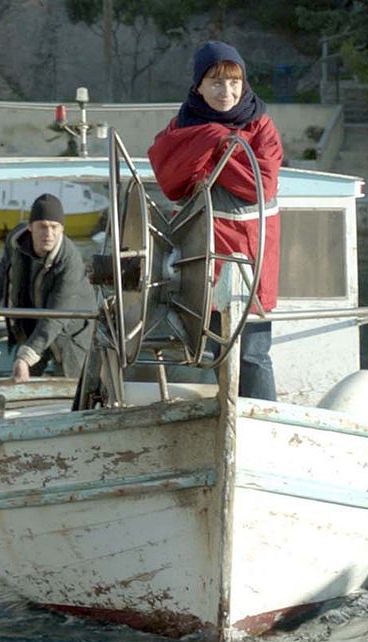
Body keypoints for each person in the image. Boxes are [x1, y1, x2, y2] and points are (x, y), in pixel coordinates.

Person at [147, 40, 284, 401]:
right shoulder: (180, 124)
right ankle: (217, 413)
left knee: (253, 353)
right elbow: (170, 179)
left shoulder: (261, 125)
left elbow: (261, 184)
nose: (227, 91)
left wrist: (215, 144)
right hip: (199, 253)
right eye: (216, 82)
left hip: (250, 256)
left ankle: (260, 418)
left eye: (234, 82)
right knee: (206, 350)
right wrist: (218, 140)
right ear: (199, 86)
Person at [0, 193, 94, 382]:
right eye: (42, 226)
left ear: (62, 229)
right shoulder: (16, 241)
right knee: (22, 378)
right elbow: (3, 271)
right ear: (30, 227)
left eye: (54, 227)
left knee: (70, 388)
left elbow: (56, 316)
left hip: (71, 331)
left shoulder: (70, 261)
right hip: (33, 321)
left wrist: (26, 358)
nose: (48, 234)